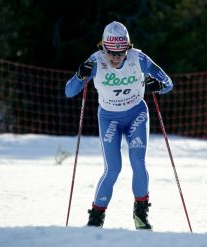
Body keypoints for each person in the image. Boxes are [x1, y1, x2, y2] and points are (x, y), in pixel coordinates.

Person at [65, 21, 173, 230]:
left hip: (136, 115)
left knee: (138, 162)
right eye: (111, 53)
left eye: (121, 53)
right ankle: (96, 217)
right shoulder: (95, 61)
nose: (115, 58)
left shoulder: (138, 58)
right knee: (113, 169)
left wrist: (158, 86)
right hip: (109, 118)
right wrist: (80, 75)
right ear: (103, 48)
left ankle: (141, 214)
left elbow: (168, 83)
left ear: (128, 48)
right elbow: (69, 92)